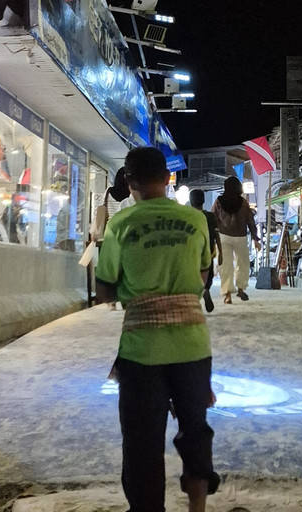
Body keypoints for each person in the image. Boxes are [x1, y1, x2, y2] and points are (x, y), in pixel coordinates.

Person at [95, 147, 220, 512]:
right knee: (195, 430)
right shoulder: (196, 220)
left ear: (129, 183)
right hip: (192, 346)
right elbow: (203, 276)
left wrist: (135, 290)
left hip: (141, 351)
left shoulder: (120, 224)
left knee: (142, 443)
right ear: (168, 179)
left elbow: (104, 288)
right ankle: (197, 508)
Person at [89, 167, 134, 308]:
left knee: (110, 267)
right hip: (125, 234)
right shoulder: (131, 195)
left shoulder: (109, 192)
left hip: (109, 235)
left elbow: (103, 209)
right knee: (124, 267)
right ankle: (124, 295)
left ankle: (110, 299)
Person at [212, 176, 260, 304]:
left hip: (223, 236)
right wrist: (255, 238)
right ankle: (241, 289)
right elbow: (250, 221)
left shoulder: (219, 201)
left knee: (225, 265)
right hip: (240, 236)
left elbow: (213, 219)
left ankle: (227, 295)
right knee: (243, 263)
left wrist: (213, 236)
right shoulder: (243, 203)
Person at [188, 189, 222, 313]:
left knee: (193, 275)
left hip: (192, 250)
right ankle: (206, 288)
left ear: (190, 201)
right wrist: (221, 253)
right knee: (208, 274)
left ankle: (196, 296)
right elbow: (217, 234)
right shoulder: (210, 216)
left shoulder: (188, 216)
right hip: (209, 250)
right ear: (203, 201)